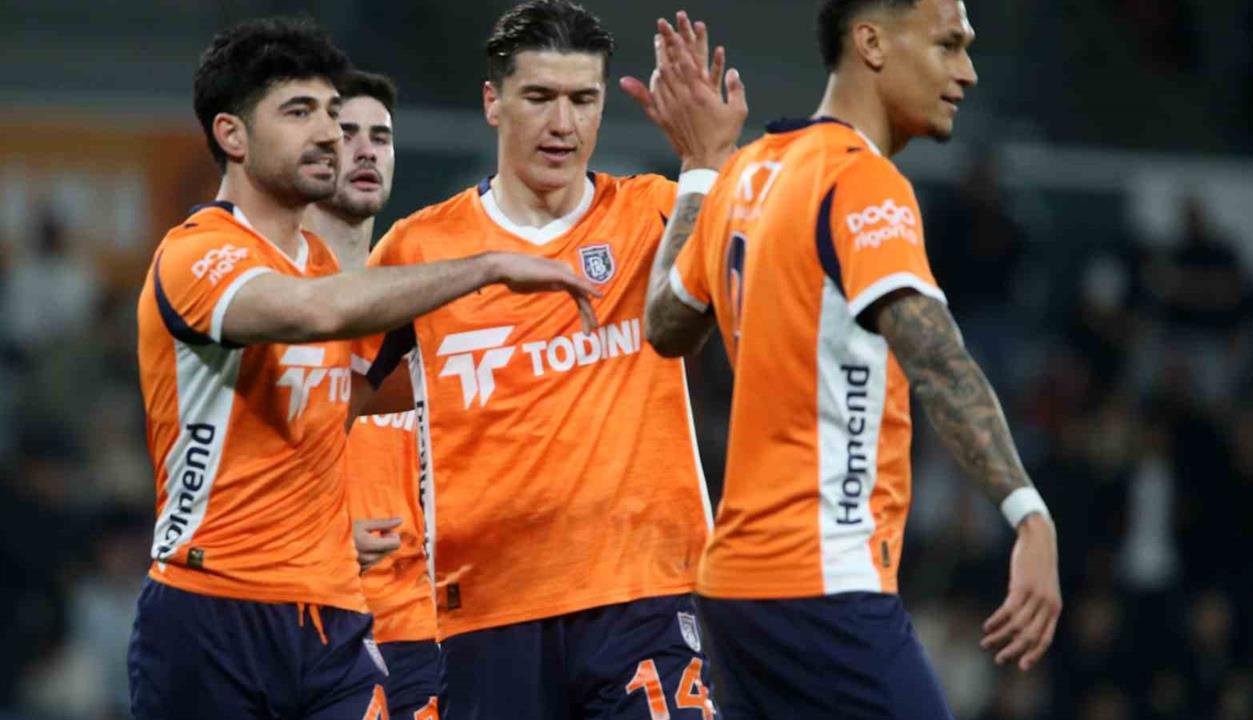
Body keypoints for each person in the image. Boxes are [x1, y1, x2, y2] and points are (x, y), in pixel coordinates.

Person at [129, 17, 599, 720]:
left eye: (330, 112)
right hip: (213, 605)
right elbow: (310, 313)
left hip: (335, 618)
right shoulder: (196, 255)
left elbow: (353, 408)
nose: (328, 134)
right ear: (232, 135)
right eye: (299, 113)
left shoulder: (320, 263)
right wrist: (488, 266)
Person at [639, 1, 1062, 718]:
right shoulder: (860, 181)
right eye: (948, 45)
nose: (967, 71)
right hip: (823, 582)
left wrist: (700, 171)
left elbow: (664, 322)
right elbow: (938, 360)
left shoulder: (748, 173)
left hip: (735, 591)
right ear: (871, 43)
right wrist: (1029, 514)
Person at [352, 2, 745, 717]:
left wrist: (708, 162)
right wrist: (324, 525)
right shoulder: (421, 248)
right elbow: (326, 399)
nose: (563, 124)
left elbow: (733, 281)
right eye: (539, 97)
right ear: (492, 102)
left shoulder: (655, 213)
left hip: (647, 594)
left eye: (582, 100)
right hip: (485, 611)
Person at [304, 70, 444, 720]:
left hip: (420, 630)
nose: (366, 150)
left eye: (380, 137)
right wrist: (325, 538)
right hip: (306, 621)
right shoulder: (269, 301)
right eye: (347, 134)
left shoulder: (425, 305)